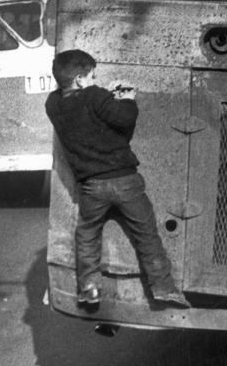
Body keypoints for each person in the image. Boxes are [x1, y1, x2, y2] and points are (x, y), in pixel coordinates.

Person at [44, 49, 189, 309]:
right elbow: (123, 118)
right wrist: (127, 98)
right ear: (79, 79)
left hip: (91, 186)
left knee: (87, 233)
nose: (94, 80)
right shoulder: (95, 95)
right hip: (125, 181)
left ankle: (88, 288)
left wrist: (105, 95)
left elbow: (82, 108)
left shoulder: (53, 105)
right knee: (146, 234)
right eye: (92, 76)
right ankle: (164, 287)